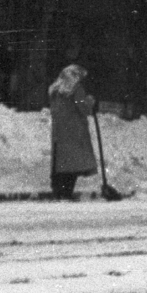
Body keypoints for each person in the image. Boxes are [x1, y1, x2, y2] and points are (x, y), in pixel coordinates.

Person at [48, 64, 97, 200]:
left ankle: (59, 192)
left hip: (59, 133)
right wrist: (90, 102)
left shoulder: (55, 91)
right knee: (74, 165)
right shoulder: (77, 90)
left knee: (61, 165)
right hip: (75, 133)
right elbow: (83, 108)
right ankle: (67, 193)